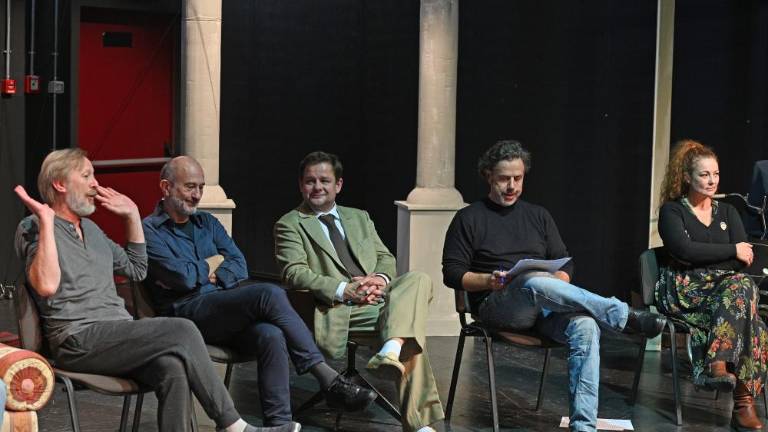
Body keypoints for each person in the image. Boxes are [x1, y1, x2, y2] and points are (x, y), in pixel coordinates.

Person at [14, 148, 295, 432]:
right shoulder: (34, 227)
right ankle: (233, 425)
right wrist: (47, 223)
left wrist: (132, 216)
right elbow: (46, 285)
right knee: (182, 329)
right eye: (86, 176)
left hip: (115, 332)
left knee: (171, 367)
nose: (95, 184)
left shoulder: (92, 230)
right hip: (77, 339)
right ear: (60, 184)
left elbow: (137, 269)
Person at [442, 140, 666, 432]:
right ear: (488, 176)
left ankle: (583, 427)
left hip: (544, 309)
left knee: (586, 326)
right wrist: (489, 280)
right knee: (531, 281)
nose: (511, 186)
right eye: (504, 179)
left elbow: (565, 263)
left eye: (518, 178)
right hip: (498, 307)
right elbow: (453, 273)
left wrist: (559, 281)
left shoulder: (538, 215)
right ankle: (623, 315)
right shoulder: (469, 218)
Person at [143, 156, 377, 427]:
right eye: (189, 187)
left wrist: (209, 272)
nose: (197, 195)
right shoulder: (149, 230)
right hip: (184, 316)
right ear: (166, 187)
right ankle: (327, 378)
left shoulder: (207, 223)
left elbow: (239, 264)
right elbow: (182, 279)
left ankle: (279, 424)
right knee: (268, 293)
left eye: (201, 187)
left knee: (270, 334)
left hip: (220, 309)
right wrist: (213, 261)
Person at [274, 151, 444, 432]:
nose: (317, 187)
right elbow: (294, 273)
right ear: (301, 185)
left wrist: (378, 279)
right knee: (407, 328)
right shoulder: (290, 224)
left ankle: (391, 348)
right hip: (337, 307)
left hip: (377, 297)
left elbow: (385, 257)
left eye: (325, 181)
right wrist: (345, 290)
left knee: (419, 279)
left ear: (338, 185)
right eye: (310, 181)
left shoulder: (359, 217)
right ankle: (417, 423)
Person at [657, 139, 768, 432]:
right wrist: (730, 251)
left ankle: (719, 365)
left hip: (724, 290)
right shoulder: (672, 212)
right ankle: (743, 406)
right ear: (687, 177)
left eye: (715, 174)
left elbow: (746, 259)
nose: (712, 180)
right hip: (685, 291)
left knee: (745, 298)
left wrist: (712, 258)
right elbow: (684, 251)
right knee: (745, 301)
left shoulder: (728, 212)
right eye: (704, 174)